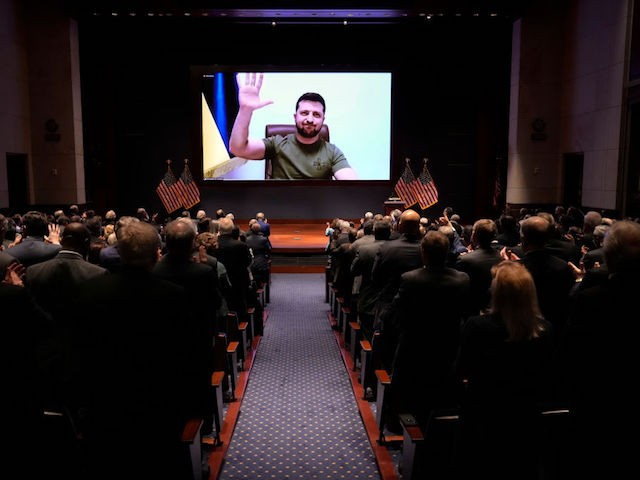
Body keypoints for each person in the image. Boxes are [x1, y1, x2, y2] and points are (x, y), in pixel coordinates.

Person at [229, 72, 357, 180]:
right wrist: (245, 110)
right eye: (304, 113)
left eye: (316, 115)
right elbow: (237, 148)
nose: (310, 119)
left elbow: (352, 185)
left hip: (316, 208)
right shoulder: (277, 143)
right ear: (295, 117)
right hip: (280, 207)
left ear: (323, 120)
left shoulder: (332, 152)